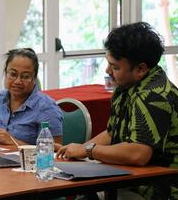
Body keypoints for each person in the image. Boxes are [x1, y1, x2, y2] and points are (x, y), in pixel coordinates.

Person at [57, 22, 178, 200]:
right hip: (131, 180)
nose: (107, 71)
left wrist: (89, 150)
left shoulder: (153, 96)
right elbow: (112, 133)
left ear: (141, 69)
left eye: (115, 67)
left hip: (160, 188)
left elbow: (138, 153)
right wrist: (78, 149)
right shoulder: (127, 87)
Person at [0, 48, 63, 146]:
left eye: (25, 76)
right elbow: (0, 141)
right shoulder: (1, 98)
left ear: (34, 78)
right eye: (13, 74)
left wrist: (15, 143)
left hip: (27, 161)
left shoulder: (46, 107)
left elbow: (53, 152)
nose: (17, 81)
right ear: (6, 73)